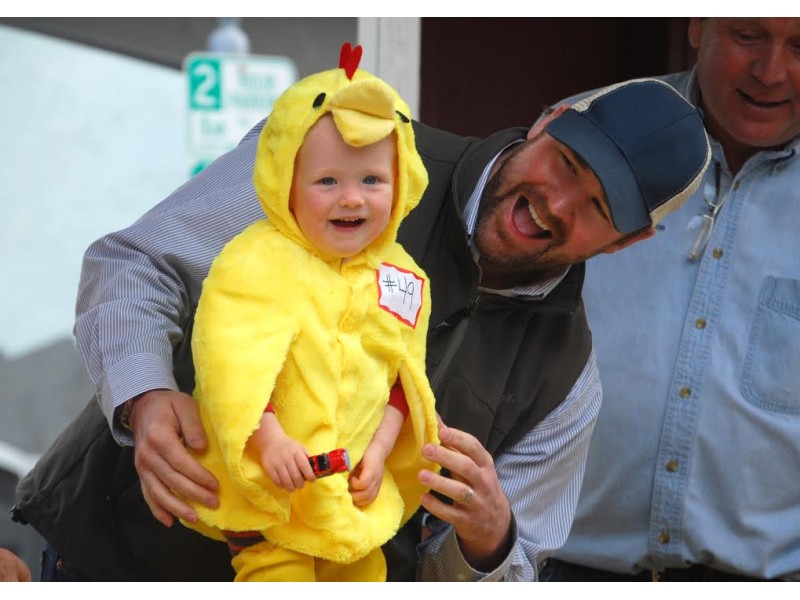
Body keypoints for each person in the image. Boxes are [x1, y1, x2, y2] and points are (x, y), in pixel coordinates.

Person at [13, 73, 711, 581]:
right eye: (564, 162)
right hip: (122, 556)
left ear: (626, 243)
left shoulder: (567, 383)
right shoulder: (361, 155)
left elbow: (512, 571)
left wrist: (490, 539)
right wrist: (145, 393)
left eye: (594, 205)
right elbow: (134, 263)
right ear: (547, 119)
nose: (555, 202)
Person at [541, 17, 800, 582]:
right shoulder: (583, 138)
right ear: (698, 24)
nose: (772, 71)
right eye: (749, 36)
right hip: (563, 568)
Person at [183, 46, 438, 581]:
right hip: (273, 492)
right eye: (327, 182)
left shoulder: (403, 274)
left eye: (372, 180)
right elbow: (232, 365)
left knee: (366, 572)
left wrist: (383, 447)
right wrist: (267, 438)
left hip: (348, 494)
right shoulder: (255, 261)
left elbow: (402, 376)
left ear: (403, 182)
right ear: (285, 183)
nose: (352, 199)